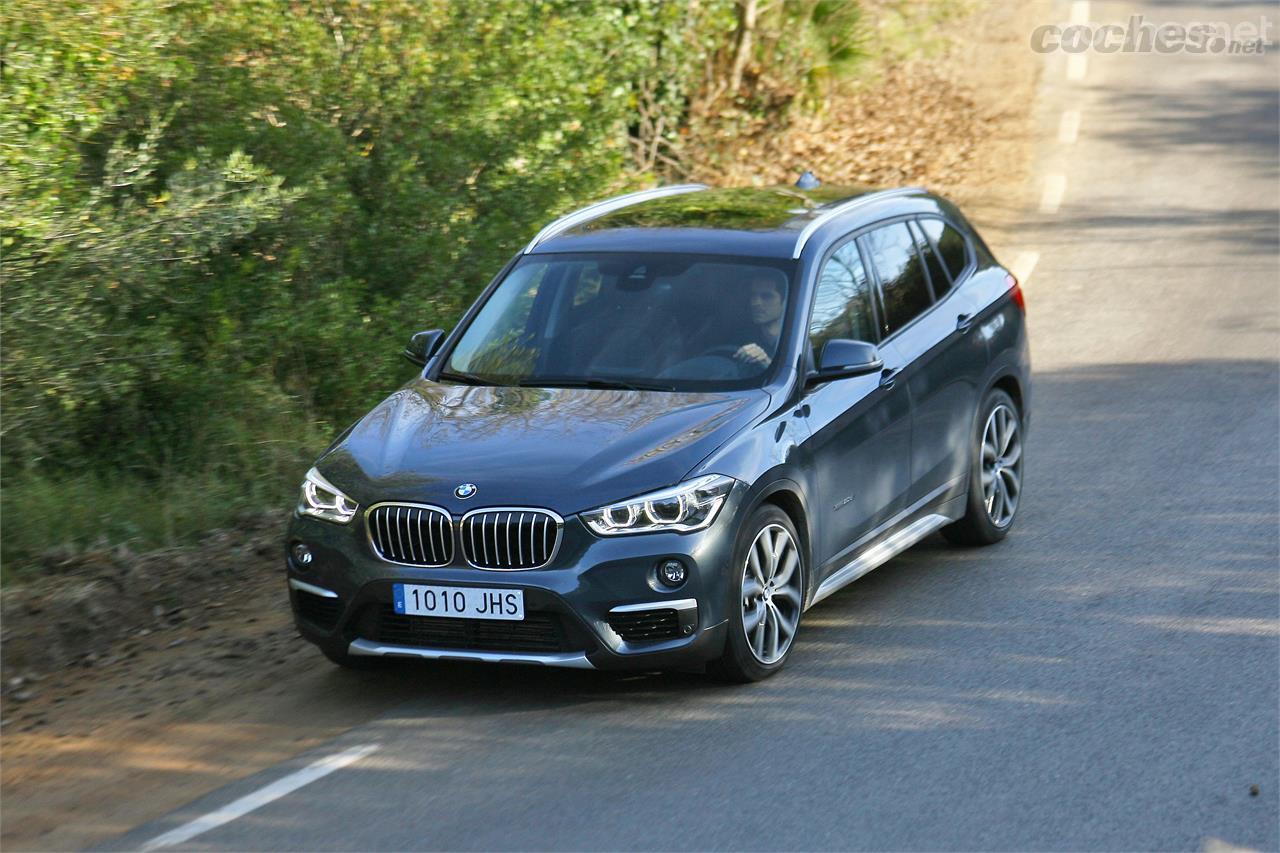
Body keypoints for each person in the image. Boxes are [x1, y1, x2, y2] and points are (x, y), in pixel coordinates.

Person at [734, 272, 786, 369]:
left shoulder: (796, 343)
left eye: (766, 296)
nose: (755, 303)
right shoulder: (739, 337)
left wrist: (766, 363)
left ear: (784, 302)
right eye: (753, 296)